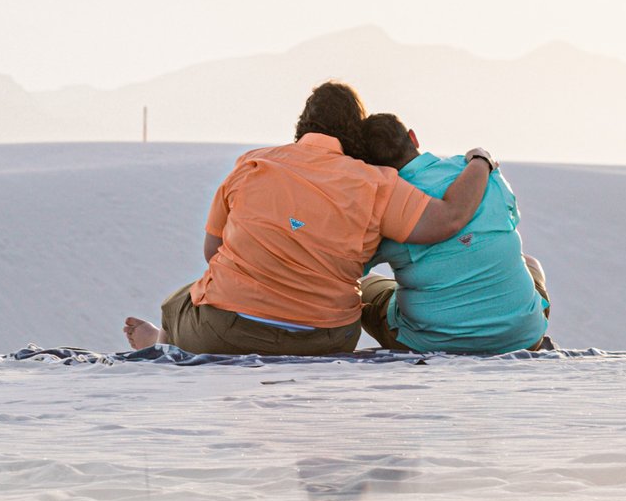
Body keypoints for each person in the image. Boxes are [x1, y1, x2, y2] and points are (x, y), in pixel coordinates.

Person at [121, 82, 496, 356]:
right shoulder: (377, 183)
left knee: (178, 301)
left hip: (227, 332)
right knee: (369, 286)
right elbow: (449, 218)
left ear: (301, 126)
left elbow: (212, 251)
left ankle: (162, 344)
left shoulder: (253, 163)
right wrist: (481, 161)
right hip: (326, 340)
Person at [354, 112, 551, 354]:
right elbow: (512, 218)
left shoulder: (382, 204)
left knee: (365, 285)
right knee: (529, 263)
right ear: (413, 138)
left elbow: (354, 265)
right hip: (523, 337)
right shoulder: (481, 173)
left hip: (428, 342)